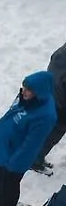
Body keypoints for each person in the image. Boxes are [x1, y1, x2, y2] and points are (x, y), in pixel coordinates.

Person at [0, 72, 58, 206]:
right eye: (24, 87)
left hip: (16, 157)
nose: (24, 91)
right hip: (4, 147)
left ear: (40, 92)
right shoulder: (26, 97)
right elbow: (11, 113)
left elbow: (31, 144)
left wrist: (14, 163)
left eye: (28, 89)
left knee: (9, 186)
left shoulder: (46, 115)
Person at [32, 42, 66, 174]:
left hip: (53, 95)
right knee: (53, 133)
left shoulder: (61, 52)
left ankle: (36, 156)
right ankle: (35, 159)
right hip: (61, 104)